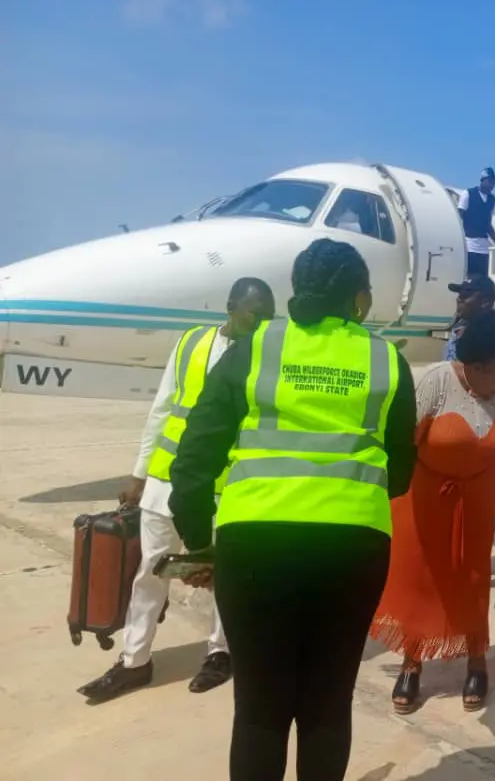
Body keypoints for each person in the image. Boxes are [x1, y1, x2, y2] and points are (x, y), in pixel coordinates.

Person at [168, 239, 418, 781]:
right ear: (358, 299)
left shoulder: (254, 347)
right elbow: (399, 473)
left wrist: (198, 544)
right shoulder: (386, 359)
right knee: (327, 706)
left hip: (254, 544)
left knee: (259, 712)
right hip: (352, 548)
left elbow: (193, 459)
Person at [76, 277, 276, 704]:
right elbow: (163, 406)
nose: (259, 325)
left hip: (228, 487)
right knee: (151, 570)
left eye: (267, 318)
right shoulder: (190, 344)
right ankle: (135, 661)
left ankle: (220, 653)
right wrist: (139, 472)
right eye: (252, 316)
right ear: (230, 308)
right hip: (166, 482)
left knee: (224, 573)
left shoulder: (266, 355)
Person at [370, 309, 495, 715]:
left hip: (476, 501)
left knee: (472, 581)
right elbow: (401, 442)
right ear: (471, 367)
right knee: (421, 580)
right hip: (423, 498)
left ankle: (476, 658)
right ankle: (413, 660)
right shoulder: (437, 382)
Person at [444, 275, 495, 361]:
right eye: (459, 295)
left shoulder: (488, 336)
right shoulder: (461, 327)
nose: (458, 299)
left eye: (464, 296)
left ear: (485, 302)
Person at [459, 168, 495, 277]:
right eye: (490, 182)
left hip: (483, 248)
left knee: (481, 279)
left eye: (494, 183)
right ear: (482, 180)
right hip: (469, 244)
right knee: (468, 277)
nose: (492, 186)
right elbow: (459, 216)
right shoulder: (468, 194)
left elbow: (488, 225)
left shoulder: (492, 200)